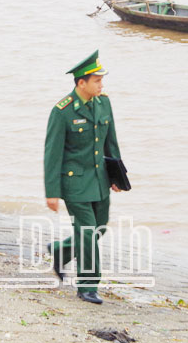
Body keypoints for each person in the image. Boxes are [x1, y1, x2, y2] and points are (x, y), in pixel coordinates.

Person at [44, 50, 124, 304]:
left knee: (98, 228)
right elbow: (52, 154)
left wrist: (116, 176)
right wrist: (52, 191)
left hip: (99, 180)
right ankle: (88, 285)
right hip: (75, 183)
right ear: (82, 83)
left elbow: (111, 142)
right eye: (97, 80)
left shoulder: (104, 103)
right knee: (88, 232)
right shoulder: (62, 111)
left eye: (102, 80)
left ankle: (60, 251)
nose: (102, 84)